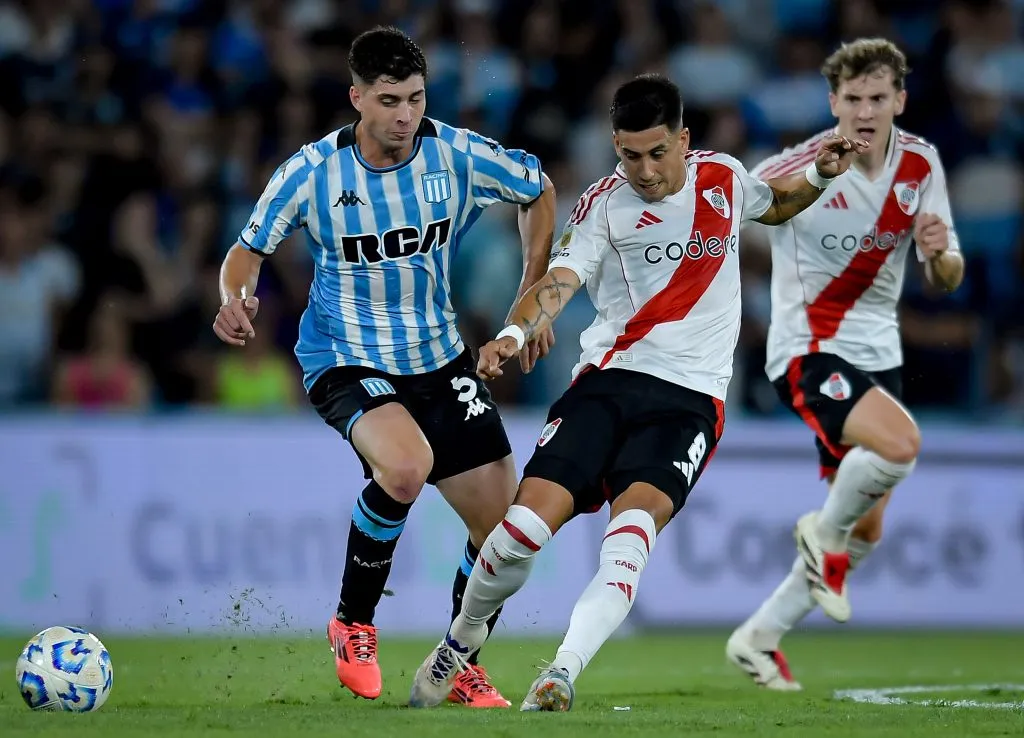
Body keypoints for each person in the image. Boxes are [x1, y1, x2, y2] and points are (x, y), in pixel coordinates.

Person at [405, 72, 865, 712]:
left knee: (627, 545)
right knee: (518, 533)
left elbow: (776, 203)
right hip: (607, 385)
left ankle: (560, 674)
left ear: (684, 139)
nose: (644, 171)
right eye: (629, 155)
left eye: (656, 153)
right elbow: (560, 281)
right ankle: (460, 642)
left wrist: (818, 175)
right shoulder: (603, 205)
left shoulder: (724, 178)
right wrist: (514, 332)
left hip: (688, 403)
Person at [212, 25, 557, 706]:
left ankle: (458, 664)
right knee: (404, 467)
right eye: (390, 100)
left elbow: (538, 188)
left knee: (503, 534)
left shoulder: (456, 154)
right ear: (358, 98)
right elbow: (246, 251)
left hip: (438, 358)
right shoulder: (313, 172)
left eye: (417, 99)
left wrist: (530, 294)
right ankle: (353, 622)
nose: (406, 116)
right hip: (345, 357)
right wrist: (234, 298)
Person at [726, 38, 965, 691]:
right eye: (853, 98)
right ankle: (821, 532)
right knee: (901, 446)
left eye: (877, 97)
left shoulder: (920, 164)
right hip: (807, 349)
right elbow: (734, 218)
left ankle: (759, 637)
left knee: (868, 529)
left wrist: (941, 255)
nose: (865, 111)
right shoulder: (799, 165)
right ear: (833, 101)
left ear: (900, 100)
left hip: (878, 356)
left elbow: (946, 275)